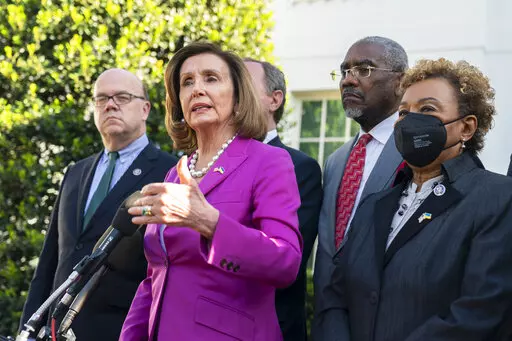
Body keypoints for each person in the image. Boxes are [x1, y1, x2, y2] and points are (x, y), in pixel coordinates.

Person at [120, 42, 303, 341]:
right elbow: (155, 274)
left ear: (238, 97)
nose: (197, 89)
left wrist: (209, 222)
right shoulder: (175, 173)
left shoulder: (268, 161)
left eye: (211, 78)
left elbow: (285, 262)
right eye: (187, 82)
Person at [324, 58, 512, 341]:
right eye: (402, 113)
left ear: (467, 128)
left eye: (427, 109)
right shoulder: (375, 204)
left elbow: (480, 310)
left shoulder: (498, 198)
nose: (409, 121)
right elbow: (336, 297)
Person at [19, 69, 178, 341]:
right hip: (54, 330)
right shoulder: (75, 173)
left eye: (122, 97)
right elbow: (49, 263)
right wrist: (28, 330)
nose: (110, 104)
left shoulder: (170, 172)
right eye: (101, 98)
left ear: (145, 109)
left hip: (120, 329)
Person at [312, 36, 407, 337]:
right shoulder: (337, 161)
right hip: (331, 324)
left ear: (400, 82)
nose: (348, 81)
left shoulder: (417, 152)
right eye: (343, 71)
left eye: (364, 69)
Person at [244, 58, 323, 341]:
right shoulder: (202, 165)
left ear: (274, 99)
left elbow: (285, 261)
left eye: (244, 84)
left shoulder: (299, 167)